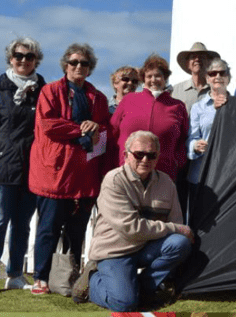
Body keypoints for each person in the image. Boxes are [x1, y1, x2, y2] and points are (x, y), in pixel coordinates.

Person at [73, 131, 193, 311]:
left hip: (145, 247)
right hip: (115, 251)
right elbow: (132, 228)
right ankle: (92, 282)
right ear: (126, 155)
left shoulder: (167, 183)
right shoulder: (113, 180)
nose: (145, 159)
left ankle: (143, 288)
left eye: (151, 155)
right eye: (139, 154)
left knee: (179, 243)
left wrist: (175, 229)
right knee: (124, 304)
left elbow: (176, 222)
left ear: (158, 157)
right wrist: (173, 228)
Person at [28, 43, 110, 295]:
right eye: (74, 62)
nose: (78, 67)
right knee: (48, 229)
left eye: (84, 63)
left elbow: (105, 130)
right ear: (65, 65)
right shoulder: (50, 91)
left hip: (85, 175)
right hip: (55, 173)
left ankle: (73, 274)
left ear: (90, 68)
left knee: (77, 231)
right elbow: (49, 124)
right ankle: (41, 277)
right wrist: (83, 130)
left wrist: (96, 130)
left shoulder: (98, 97)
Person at [0, 37, 47, 294]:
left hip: (32, 169)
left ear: (36, 60)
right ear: (10, 58)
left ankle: (15, 274)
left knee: (22, 224)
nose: (24, 61)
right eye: (19, 56)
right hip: (2, 168)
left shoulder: (44, 91)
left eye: (29, 57)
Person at [111, 54, 189, 182]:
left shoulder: (178, 106)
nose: (153, 80)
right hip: (127, 173)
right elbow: (112, 132)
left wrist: (177, 163)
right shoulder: (128, 100)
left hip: (163, 174)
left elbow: (183, 139)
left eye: (158, 76)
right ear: (143, 79)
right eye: (149, 76)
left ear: (165, 78)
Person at [187, 58, 230, 205]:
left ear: (228, 78)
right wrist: (195, 146)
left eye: (222, 73)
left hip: (228, 173)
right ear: (207, 78)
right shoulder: (198, 108)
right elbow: (190, 139)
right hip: (201, 175)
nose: (217, 76)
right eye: (213, 73)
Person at [171, 42, 220, 113]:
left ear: (209, 63)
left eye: (202, 57)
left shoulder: (218, 91)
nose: (197, 59)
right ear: (187, 64)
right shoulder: (175, 91)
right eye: (193, 57)